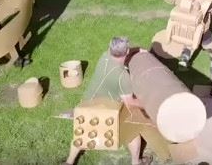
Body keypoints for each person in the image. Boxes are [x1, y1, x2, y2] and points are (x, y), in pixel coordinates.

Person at [64, 37, 152, 165]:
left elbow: (118, 51)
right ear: (127, 51)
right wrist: (147, 103)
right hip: (105, 110)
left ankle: (69, 162)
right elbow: (130, 102)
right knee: (133, 132)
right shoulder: (123, 76)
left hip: (87, 103)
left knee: (82, 132)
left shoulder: (104, 56)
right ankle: (136, 162)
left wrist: (137, 49)